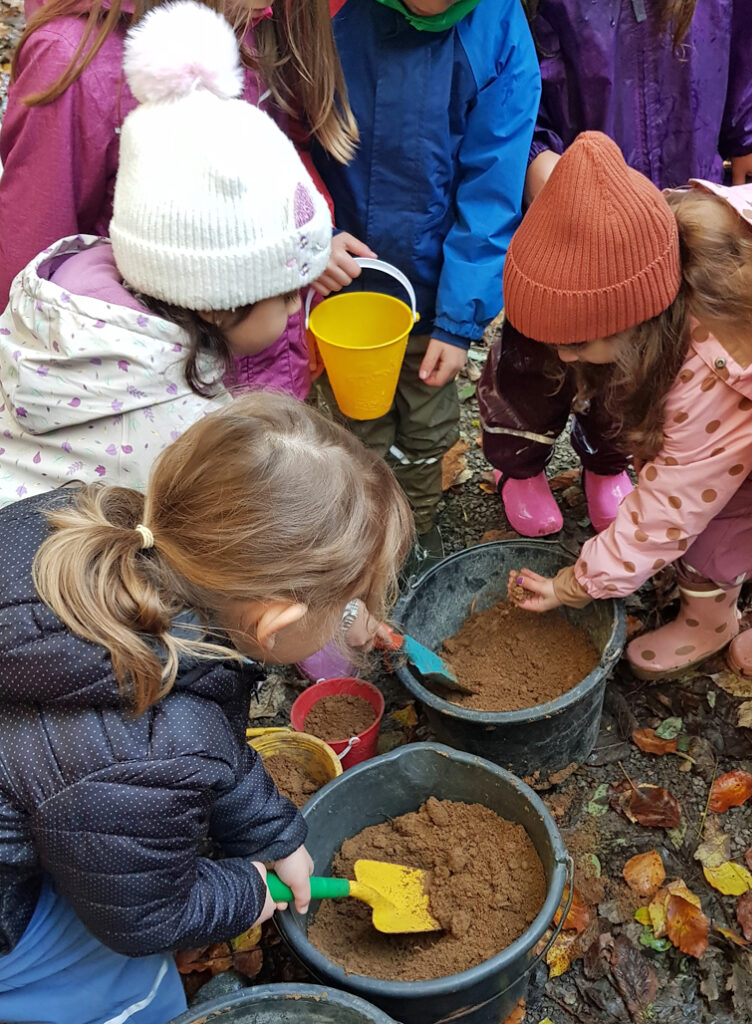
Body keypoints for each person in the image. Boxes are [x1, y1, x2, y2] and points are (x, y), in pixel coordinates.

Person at [0, 391, 413, 1024]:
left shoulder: (119, 543)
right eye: (346, 607)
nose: (349, 622)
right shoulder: (142, 748)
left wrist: (269, 831)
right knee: (125, 994)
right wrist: (243, 891)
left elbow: (201, 733)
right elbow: (145, 917)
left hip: (57, 799)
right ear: (276, 622)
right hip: (14, 928)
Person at [0, 0, 331, 507]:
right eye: (289, 296)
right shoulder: (185, 435)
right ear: (215, 300)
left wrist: (300, 243)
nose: (297, 307)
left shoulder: (81, 279)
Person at [477, 0, 752, 537]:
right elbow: (500, 53)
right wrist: (534, 157)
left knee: (640, 350)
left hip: (676, 176)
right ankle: (519, 461)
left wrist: (750, 127)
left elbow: (748, 25)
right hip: (563, 194)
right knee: (544, 346)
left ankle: (607, 457)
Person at [502, 132, 752, 683]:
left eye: (579, 344)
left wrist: (578, 582)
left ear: (638, 314)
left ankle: (710, 621)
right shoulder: (674, 234)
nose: (565, 357)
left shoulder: (714, 368)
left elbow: (672, 507)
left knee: (712, 531)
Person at [312, 0, 540, 568]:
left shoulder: (498, 31)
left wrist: (459, 320)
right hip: (344, 289)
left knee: (428, 426)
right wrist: (312, 231)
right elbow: (283, 132)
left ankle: (414, 530)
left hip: (434, 297)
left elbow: (493, 187)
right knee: (351, 424)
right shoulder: (330, 16)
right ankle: (361, 537)